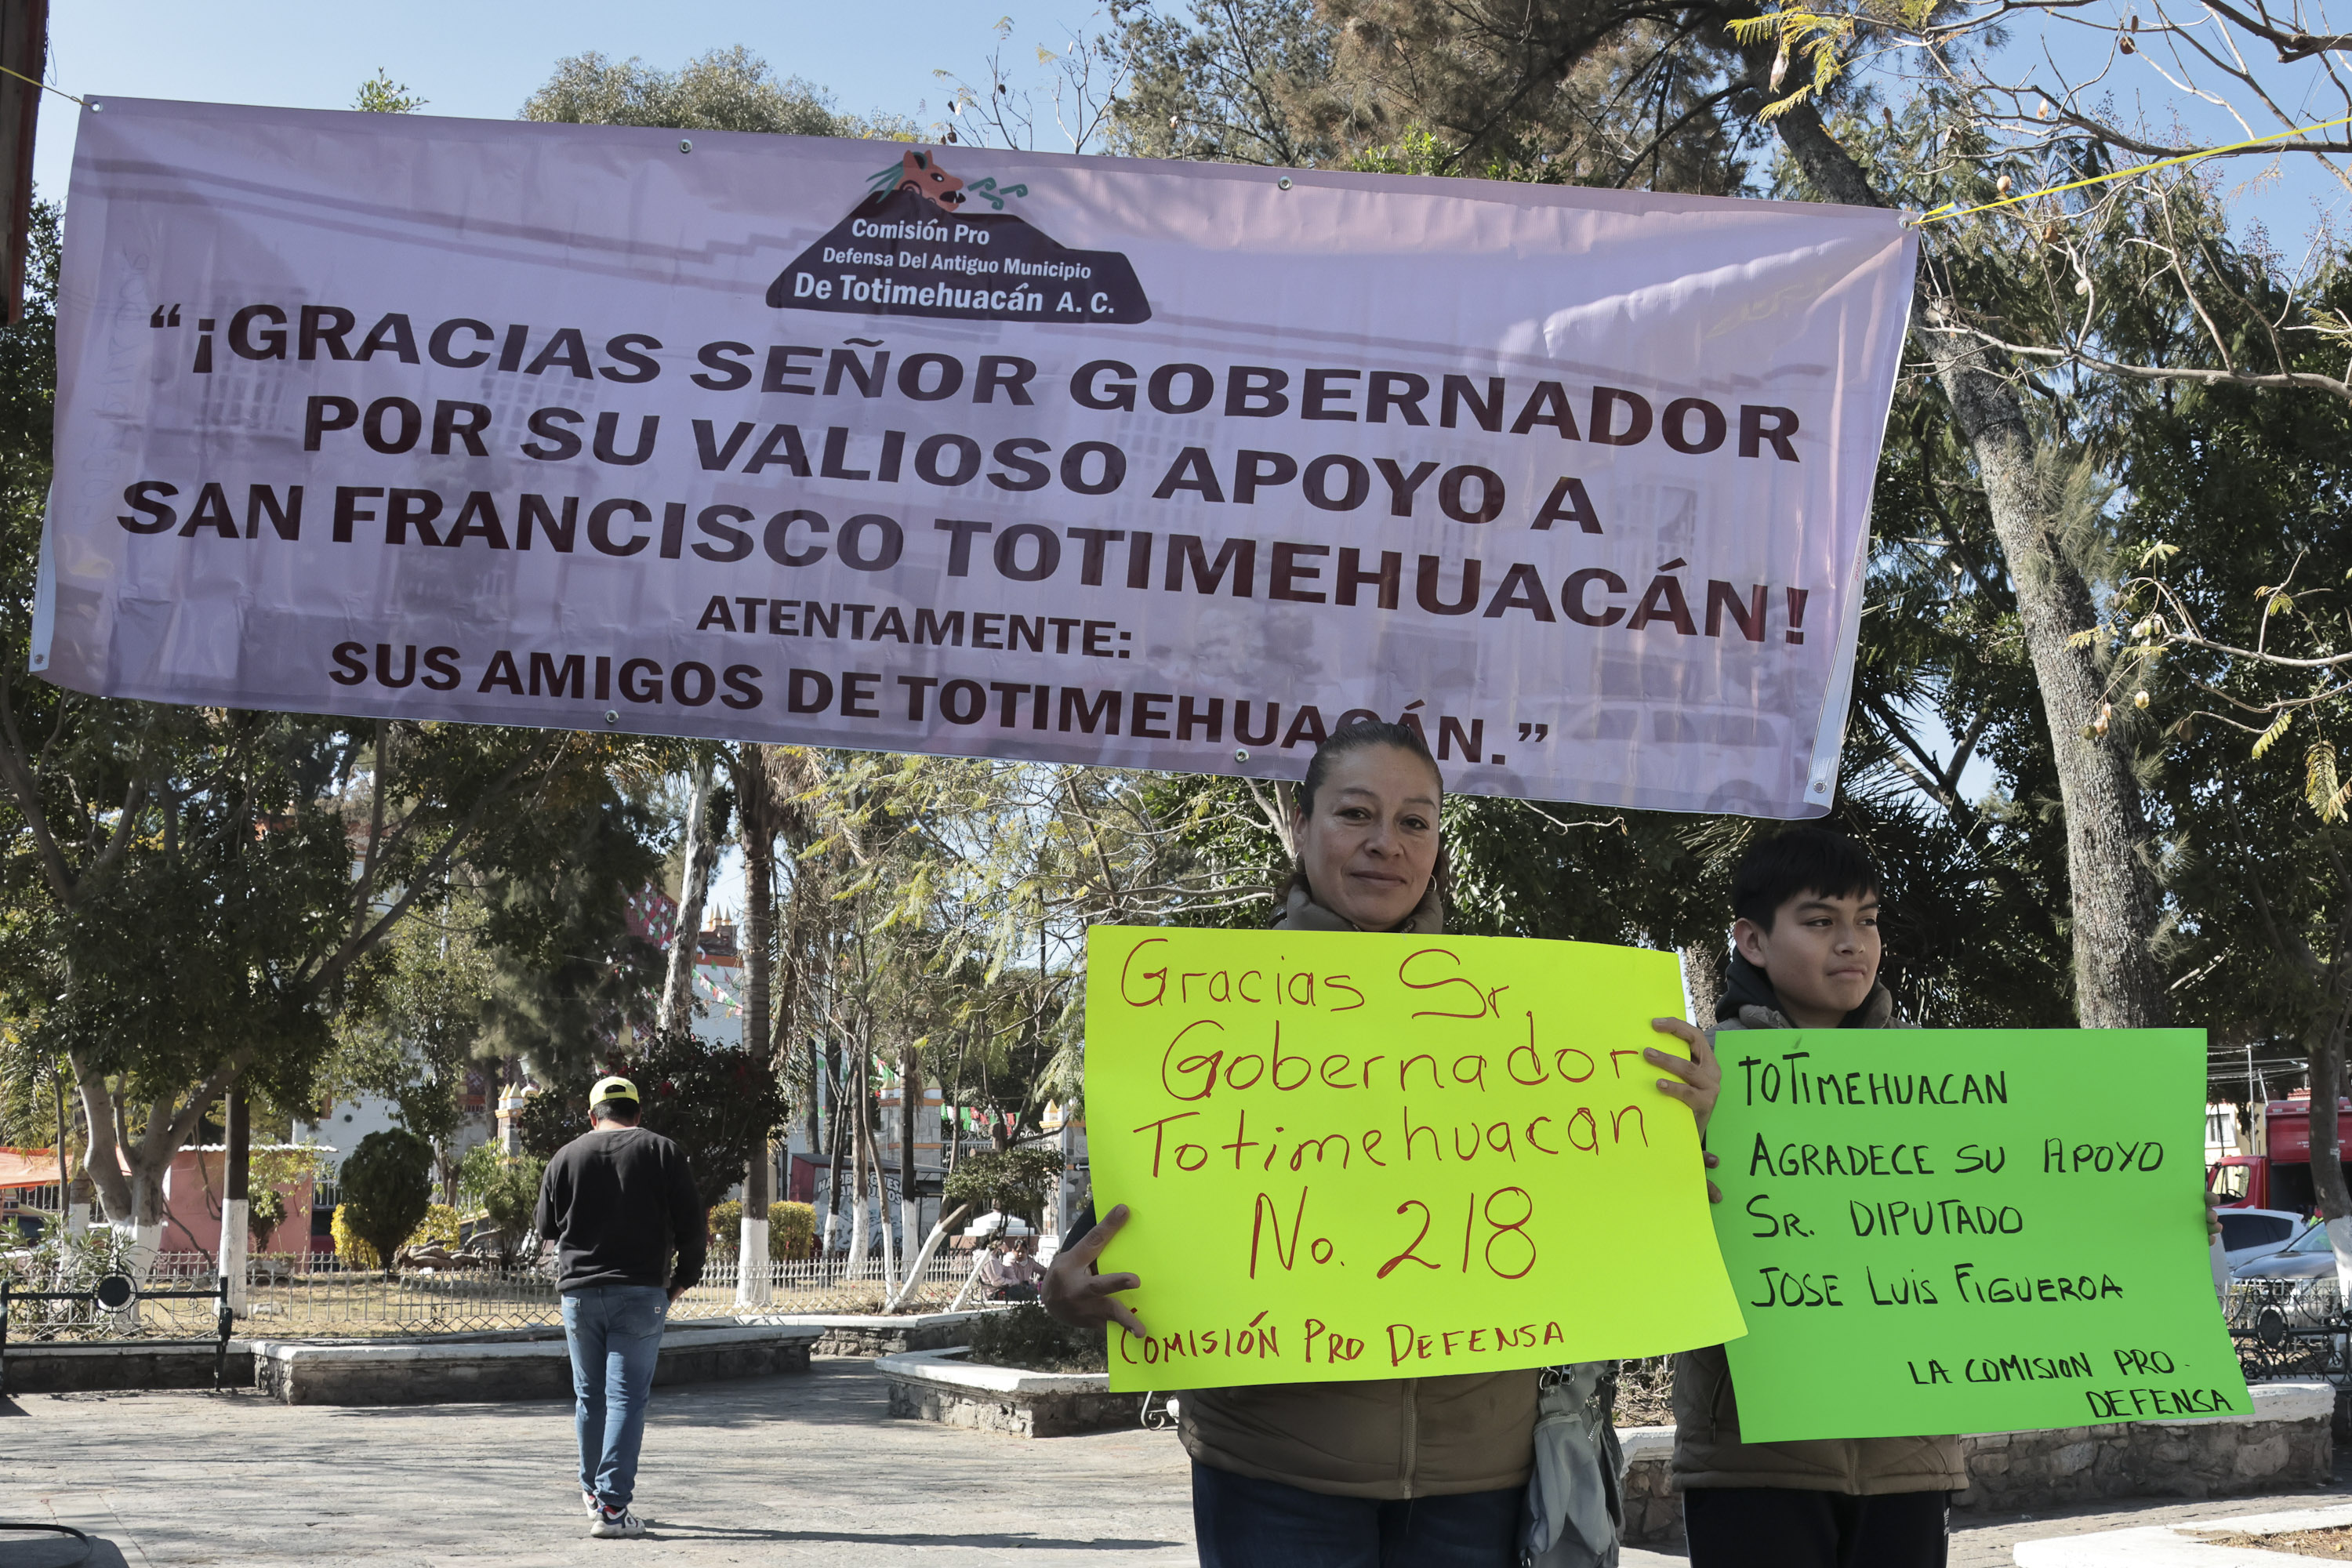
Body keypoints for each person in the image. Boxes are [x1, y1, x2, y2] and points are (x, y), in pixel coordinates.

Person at [1044, 722, 1719, 1567]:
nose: (1385, 844)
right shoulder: (1198, 1010)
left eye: (1415, 821)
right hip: (1277, 1478)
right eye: (1355, 813)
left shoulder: (1530, 1022)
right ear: (1301, 822)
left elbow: (1593, 1212)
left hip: (1482, 1479)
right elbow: (1123, 1223)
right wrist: (1064, 1289)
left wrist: (1671, 1135)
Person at [1672, 826, 1965, 1568]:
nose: (1851, 943)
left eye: (1866, 920)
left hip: (1907, 1452)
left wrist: (2152, 1213)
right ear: (1753, 941)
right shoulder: (1695, 1080)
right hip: (1755, 1459)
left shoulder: (1943, 1085)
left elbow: (2017, 1221)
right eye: (1819, 921)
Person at [534, 1075, 706, 1541]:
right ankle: (612, 1507)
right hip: (641, 1292)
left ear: (593, 1116)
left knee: (590, 1397)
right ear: (637, 1113)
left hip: (579, 1295)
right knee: (627, 1399)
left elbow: (546, 1224)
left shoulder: (565, 1156)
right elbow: (692, 1224)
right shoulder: (662, 1151)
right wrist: (683, 1280)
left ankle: (595, 1494)